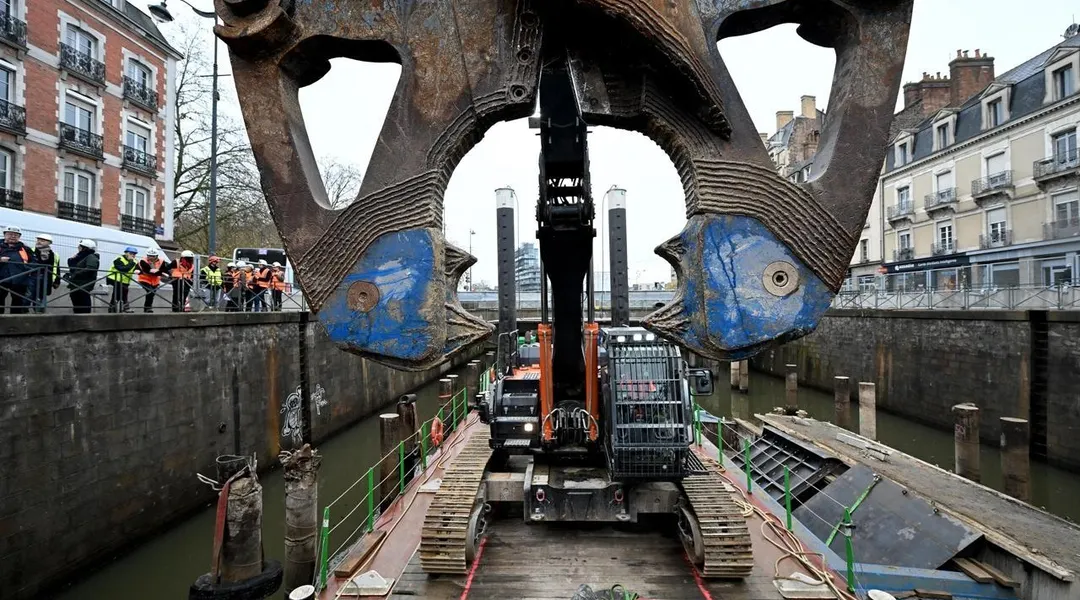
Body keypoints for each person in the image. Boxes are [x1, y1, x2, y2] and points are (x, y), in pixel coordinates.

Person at [0, 225, 34, 314]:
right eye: (10, 234)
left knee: (18, 303)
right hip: (2, 279)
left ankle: (14, 322)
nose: (13, 236)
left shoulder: (25, 249)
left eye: (16, 235)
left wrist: (26, 270)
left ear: (19, 237)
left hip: (20, 280)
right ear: (4, 235)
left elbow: (34, 263)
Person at [66, 239, 99, 314]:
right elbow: (73, 268)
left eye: (80, 246)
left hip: (83, 285)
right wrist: (72, 260)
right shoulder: (80, 257)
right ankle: (78, 320)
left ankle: (85, 320)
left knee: (84, 305)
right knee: (76, 304)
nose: (78, 248)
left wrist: (76, 273)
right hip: (76, 284)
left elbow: (90, 268)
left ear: (85, 248)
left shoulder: (91, 257)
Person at [30, 234, 61, 313]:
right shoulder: (31, 250)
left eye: (42, 240)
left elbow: (56, 268)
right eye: (38, 240)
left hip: (46, 279)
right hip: (31, 278)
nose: (39, 242)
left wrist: (57, 280)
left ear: (49, 243)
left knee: (41, 298)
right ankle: (23, 312)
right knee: (28, 296)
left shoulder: (54, 254)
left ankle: (39, 313)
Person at [107, 247, 138, 313]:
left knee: (117, 295)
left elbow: (139, 269)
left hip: (125, 281)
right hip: (114, 278)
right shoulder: (119, 259)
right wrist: (131, 262)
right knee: (123, 291)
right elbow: (123, 269)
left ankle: (112, 309)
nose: (133, 255)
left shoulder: (135, 261)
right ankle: (125, 308)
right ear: (126, 253)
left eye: (134, 254)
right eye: (131, 253)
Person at [137, 249, 166, 313]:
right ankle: (147, 308)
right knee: (150, 292)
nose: (151, 257)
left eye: (153, 256)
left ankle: (148, 308)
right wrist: (158, 272)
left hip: (155, 281)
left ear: (156, 256)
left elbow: (163, 270)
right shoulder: (143, 261)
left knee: (152, 294)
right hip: (144, 279)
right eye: (149, 256)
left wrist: (158, 272)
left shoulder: (161, 261)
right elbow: (147, 270)